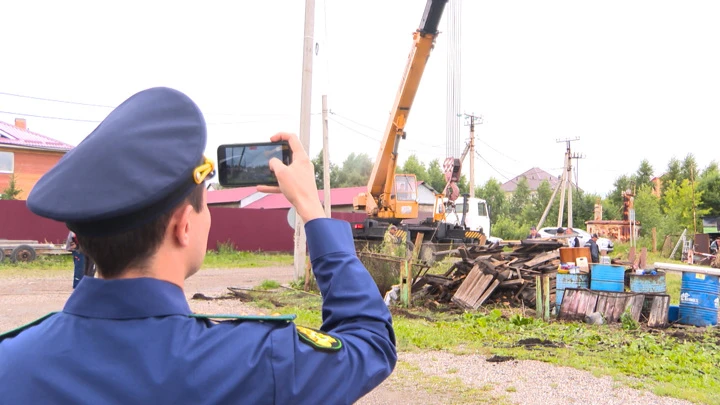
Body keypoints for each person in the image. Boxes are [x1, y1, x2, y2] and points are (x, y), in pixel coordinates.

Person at [0, 87, 397, 404]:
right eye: (205, 201)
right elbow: (370, 341)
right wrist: (311, 207)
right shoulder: (260, 360)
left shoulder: (11, 363)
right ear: (183, 226)